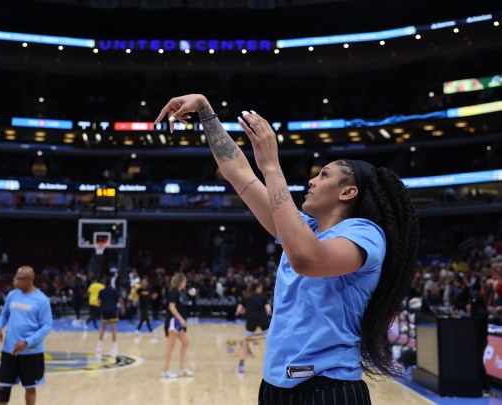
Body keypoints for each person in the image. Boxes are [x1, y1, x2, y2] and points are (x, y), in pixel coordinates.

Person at [156, 94, 419, 403]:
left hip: (328, 386)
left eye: (323, 175)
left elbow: (307, 259)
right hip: (275, 385)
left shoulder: (366, 234)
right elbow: (238, 171)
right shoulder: (304, 228)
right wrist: (205, 111)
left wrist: (271, 166)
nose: (311, 180)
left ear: (348, 192)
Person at [0, 266, 53, 405]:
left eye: (20, 279)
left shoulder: (42, 300)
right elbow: (4, 314)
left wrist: (27, 342)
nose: (16, 281)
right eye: (16, 277)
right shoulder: (12, 295)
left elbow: (47, 327)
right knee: (3, 387)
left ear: (30, 279)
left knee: (30, 388)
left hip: (31, 352)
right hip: (9, 350)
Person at [161, 272, 193, 378]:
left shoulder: (180, 293)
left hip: (177, 322)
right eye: (184, 281)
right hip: (173, 322)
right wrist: (180, 319)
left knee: (186, 342)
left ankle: (182, 369)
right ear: (180, 282)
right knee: (170, 346)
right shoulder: (174, 292)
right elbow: (172, 307)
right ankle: (165, 371)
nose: (185, 283)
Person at [235, 281, 272, 374]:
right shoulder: (263, 297)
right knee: (271, 341)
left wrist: (247, 313)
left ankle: (241, 365)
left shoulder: (246, 297)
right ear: (258, 287)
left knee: (246, 342)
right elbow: (268, 310)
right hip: (263, 320)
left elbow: (239, 310)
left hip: (251, 320)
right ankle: (275, 364)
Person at [96, 276, 126, 357]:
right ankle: (114, 348)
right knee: (113, 329)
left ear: (104, 283)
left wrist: (102, 305)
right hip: (113, 311)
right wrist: (123, 308)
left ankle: (99, 348)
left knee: (103, 329)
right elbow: (120, 300)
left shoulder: (101, 291)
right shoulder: (115, 291)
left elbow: (99, 302)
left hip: (105, 311)